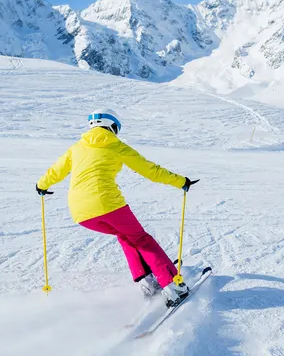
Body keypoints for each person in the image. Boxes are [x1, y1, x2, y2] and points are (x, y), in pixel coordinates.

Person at [36, 109, 199, 307]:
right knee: (141, 239)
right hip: (107, 204)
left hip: (80, 213)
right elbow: (150, 170)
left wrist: (42, 185)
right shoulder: (116, 145)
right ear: (112, 126)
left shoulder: (77, 147)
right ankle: (173, 287)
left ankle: (148, 282)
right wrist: (181, 181)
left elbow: (56, 170)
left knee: (126, 236)